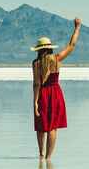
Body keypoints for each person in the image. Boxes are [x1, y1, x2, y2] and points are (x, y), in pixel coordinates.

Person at [31, 18, 81, 159]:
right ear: (50, 48)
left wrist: (35, 102)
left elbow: (36, 84)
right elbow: (72, 45)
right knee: (52, 127)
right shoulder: (57, 59)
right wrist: (77, 28)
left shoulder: (36, 63)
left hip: (42, 94)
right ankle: (48, 157)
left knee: (41, 127)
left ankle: (41, 155)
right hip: (55, 93)